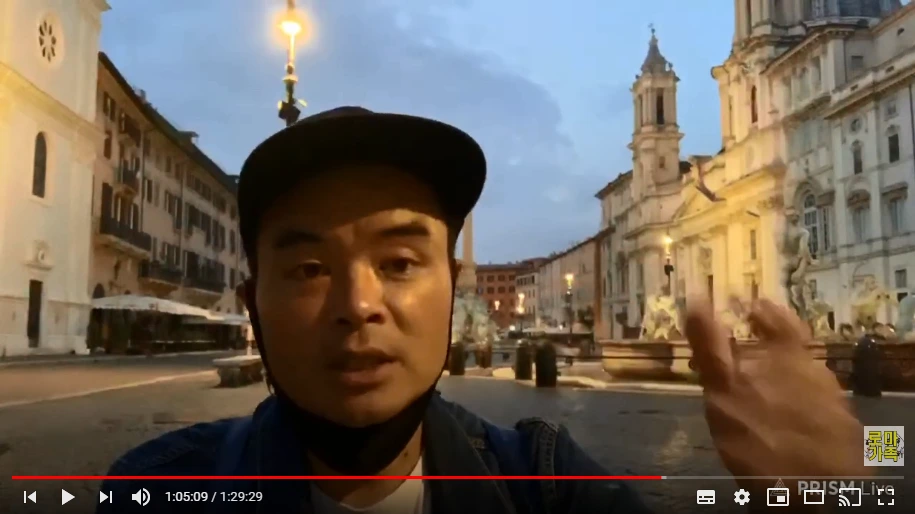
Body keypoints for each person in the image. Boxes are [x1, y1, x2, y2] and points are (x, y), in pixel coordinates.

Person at [98, 107, 867, 513]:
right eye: (306, 268)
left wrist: (811, 504)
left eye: (400, 263)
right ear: (252, 307)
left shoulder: (549, 483)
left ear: (452, 289)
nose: (358, 305)